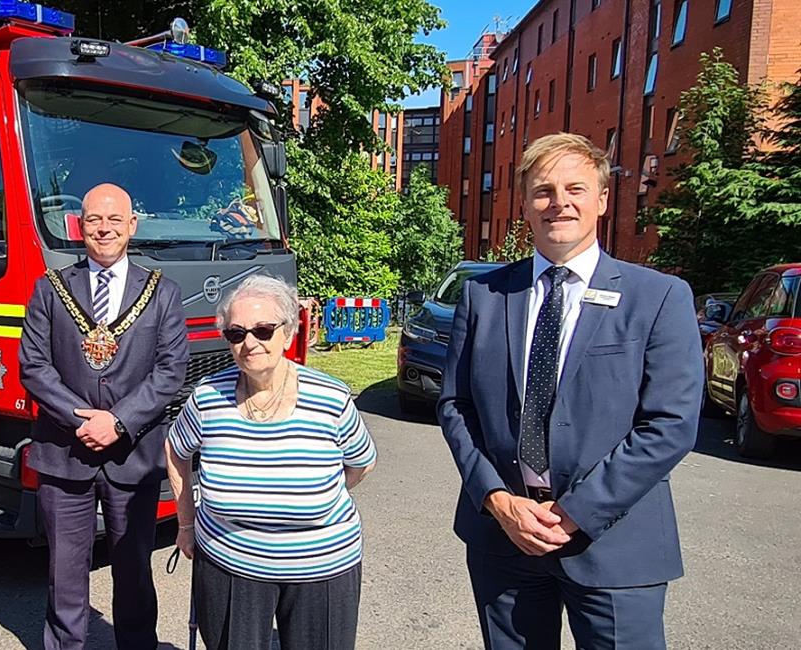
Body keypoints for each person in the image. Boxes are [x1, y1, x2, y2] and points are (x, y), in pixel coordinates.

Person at [438, 132, 703, 649]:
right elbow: (456, 406)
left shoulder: (659, 298)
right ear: (525, 205)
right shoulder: (485, 295)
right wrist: (496, 499)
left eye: (575, 188)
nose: (559, 202)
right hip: (505, 537)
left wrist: (577, 511)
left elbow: (670, 425)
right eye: (543, 191)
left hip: (614, 543)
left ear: (602, 199)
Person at [19, 183, 189, 650]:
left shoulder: (163, 292)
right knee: (64, 574)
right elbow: (33, 366)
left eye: (115, 220)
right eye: (94, 219)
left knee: (134, 572)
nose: (104, 229)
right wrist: (82, 421)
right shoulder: (51, 289)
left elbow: (171, 370)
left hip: (132, 456)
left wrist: (117, 422)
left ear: (132, 225)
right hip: (64, 453)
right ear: (80, 225)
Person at [166, 274, 376, 650]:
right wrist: (185, 523)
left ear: (288, 332)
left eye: (263, 330)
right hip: (229, 566)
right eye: (236, 333)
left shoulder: (331, 398)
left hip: (322, 568)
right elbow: (176, 449)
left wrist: (317, 494)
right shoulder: (207, 397)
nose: (250, 343)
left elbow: (361, 463)